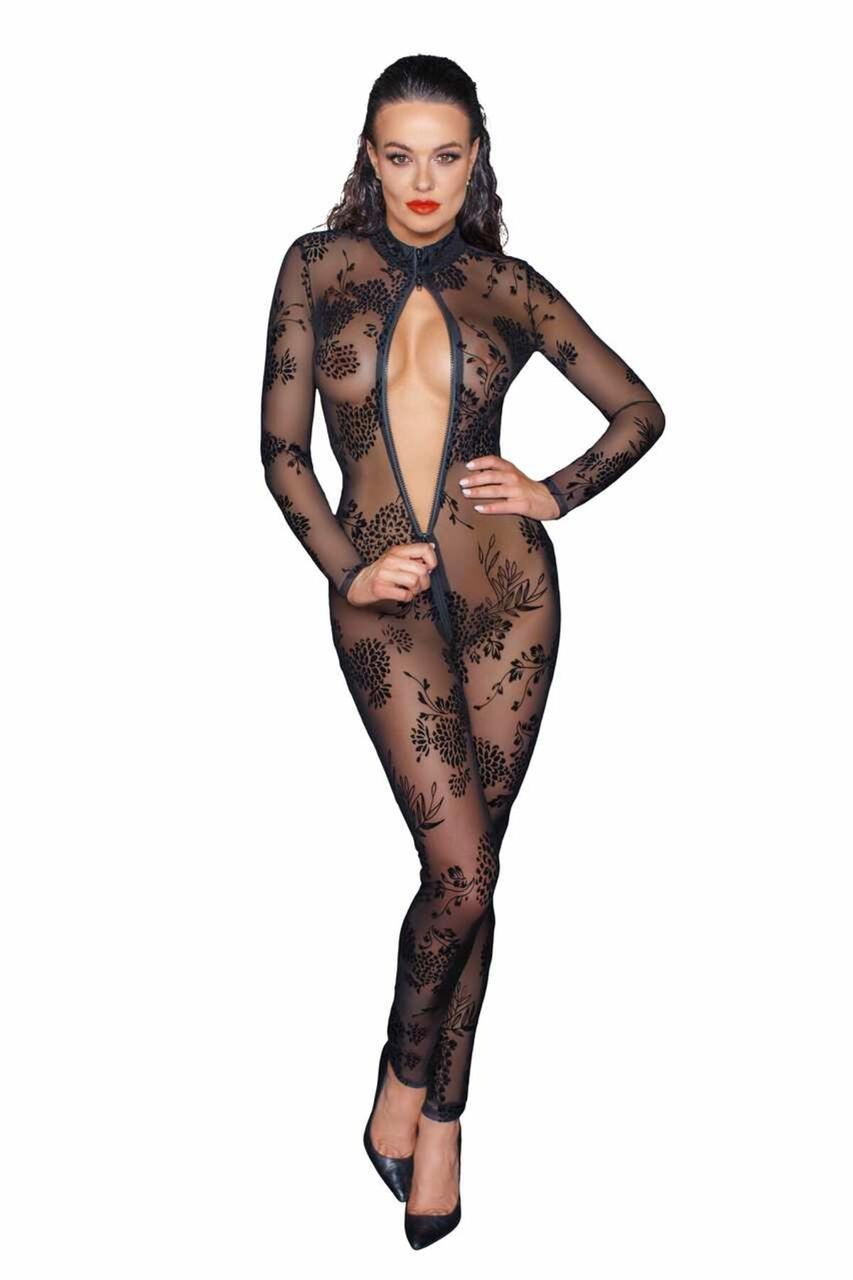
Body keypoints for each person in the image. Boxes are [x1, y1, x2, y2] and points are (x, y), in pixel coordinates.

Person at [260, 53, 666, 1248]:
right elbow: (281, 451)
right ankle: (403, 1070)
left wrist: (551, 491)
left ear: (476, 156)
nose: (423, 180)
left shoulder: (507, 285)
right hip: (379, 603)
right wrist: (347, 567)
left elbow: (639, 409)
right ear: (368, 156)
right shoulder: (315, 266)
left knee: (476, 866)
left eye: (445, 155)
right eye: (399, 156)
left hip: (510, 598)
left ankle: (439, 1116)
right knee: (464, 875)